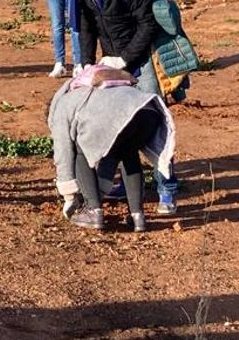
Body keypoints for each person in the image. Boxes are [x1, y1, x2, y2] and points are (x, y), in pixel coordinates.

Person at [66, 0, 184, 213]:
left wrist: (126, 58)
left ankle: (167, 189)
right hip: (111, 62)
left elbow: (148, 25)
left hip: (143, 63)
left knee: (154, 123)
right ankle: (124, 181)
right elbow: (86, 26)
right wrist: (84, 62)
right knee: (118, 123)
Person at [49, 65, 176, 232]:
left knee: (81, 151)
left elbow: (64, 152)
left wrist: (69, 197)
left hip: (120, 113)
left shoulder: (63, 104)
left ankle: (93, 211)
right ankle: (138, 216)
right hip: (148, 110)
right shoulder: (94, 86)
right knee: (128, 152)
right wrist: (101, 186)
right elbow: (110, 144)